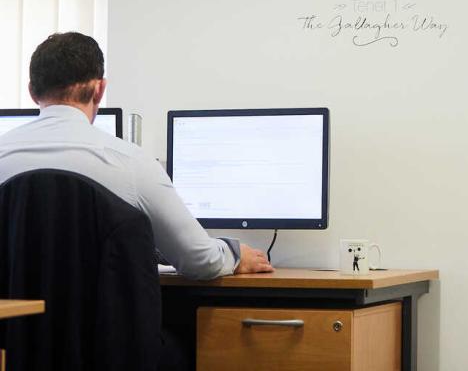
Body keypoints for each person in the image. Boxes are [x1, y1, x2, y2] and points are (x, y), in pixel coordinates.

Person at [0, 31, 273, 279]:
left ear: (32, 92)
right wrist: (234, 254)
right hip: (107, 333)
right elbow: (199, 261)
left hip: (12, 330)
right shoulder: (132, 164)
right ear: (100, 89)